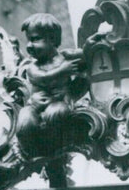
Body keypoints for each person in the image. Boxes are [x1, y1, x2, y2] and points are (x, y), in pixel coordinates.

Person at [14, 14, 87, 148]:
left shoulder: (65, 58)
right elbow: (42, 78)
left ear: (52, 39)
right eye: (28, 40)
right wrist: (62, 70)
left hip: (58, 103)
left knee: (56, 113)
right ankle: (30, 150)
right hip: (35, 106)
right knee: (24, 120)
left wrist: (90, 47)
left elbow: (85, 58)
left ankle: (54, 147)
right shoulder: (33, 67)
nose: (29, 45)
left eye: (35, 39)